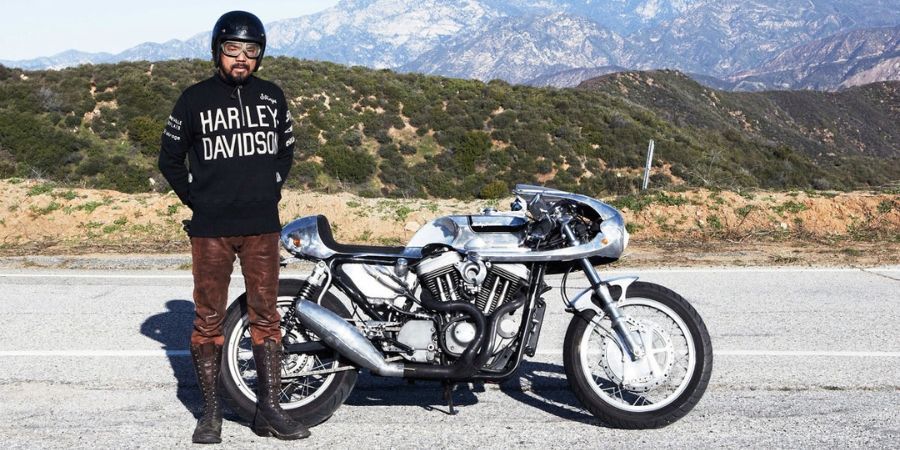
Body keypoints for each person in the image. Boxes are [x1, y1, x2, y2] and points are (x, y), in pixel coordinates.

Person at [158, 10, 305, 443]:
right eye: (232, 49)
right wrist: (197, 199)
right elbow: (169, 159)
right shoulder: (193, 99)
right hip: (211, 230)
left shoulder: (272, 96)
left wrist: (270, 189)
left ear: (259, 56)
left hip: (262, 226)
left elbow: (285, 154)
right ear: (217, 51)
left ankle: (270, 411)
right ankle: (210, 414)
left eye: (251, 51)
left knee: (266, 317)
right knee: (208, 320)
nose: (241, 58)